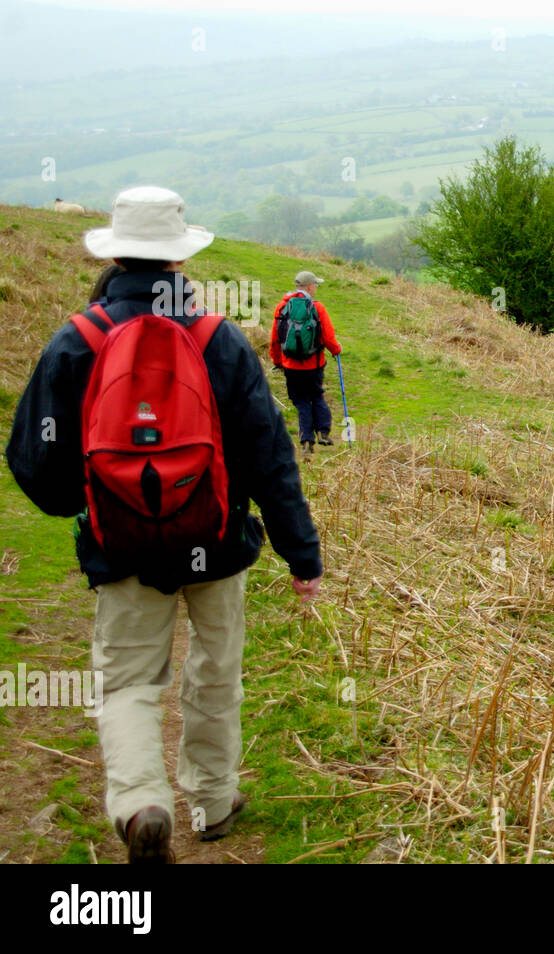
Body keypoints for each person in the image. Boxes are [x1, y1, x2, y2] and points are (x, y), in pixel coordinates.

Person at [5, 186, 324, 863]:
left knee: (127, 681)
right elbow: (271, 455)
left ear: (116, 253)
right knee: (215, 673)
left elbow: (33, 458)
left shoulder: (78, 340)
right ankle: (211, 802)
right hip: (216, 541)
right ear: (180, 260)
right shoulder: (217, 339)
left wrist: (89, 505)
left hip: (122, 548)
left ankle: (141, 803)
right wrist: (302, 555)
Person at [270, 271, 342, 455]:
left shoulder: (281, 307)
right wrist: (336, 350)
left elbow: (275, 339)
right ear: (309, 286)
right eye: (316, 284)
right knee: (316, 395)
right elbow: (328, 337)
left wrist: (277, 361)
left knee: (301, 401)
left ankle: (306, 442)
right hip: (314, 365)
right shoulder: (317, 308)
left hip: (290, 366)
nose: (316, 287)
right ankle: (324, 433)